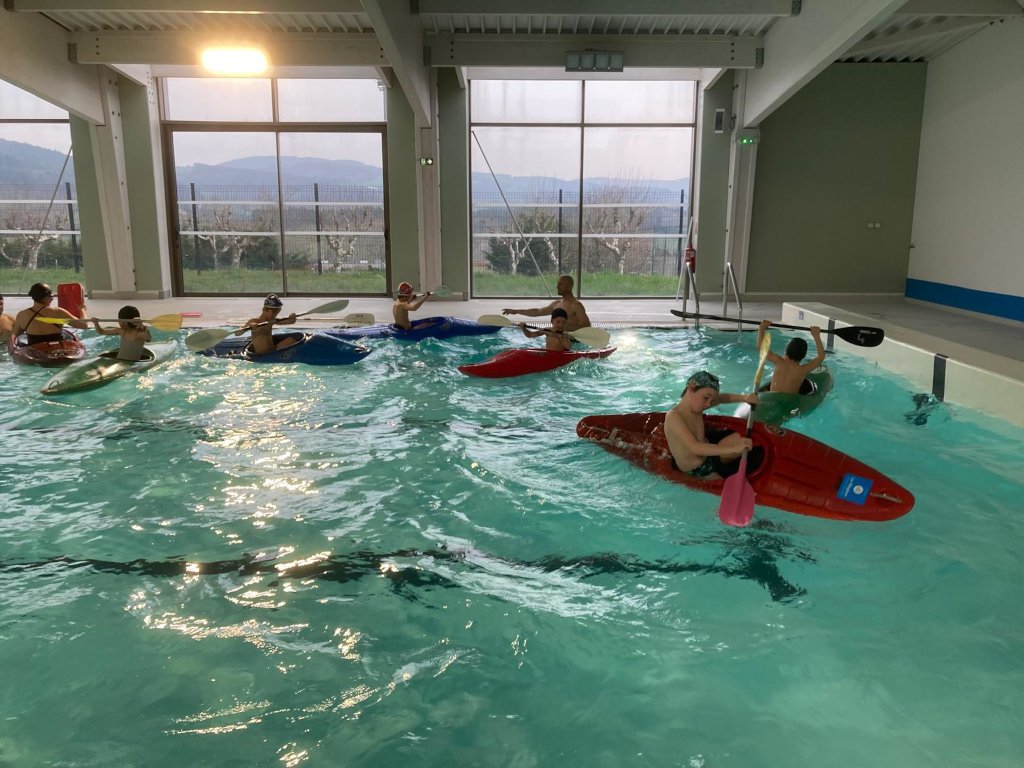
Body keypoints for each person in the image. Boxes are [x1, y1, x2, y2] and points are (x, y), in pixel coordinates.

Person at [664, 370, 759, 479]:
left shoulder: (698, 406)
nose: (708, 404)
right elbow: (695, 448)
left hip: (707, 450)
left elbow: (722, 398)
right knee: (748, 457)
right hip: (698, 469)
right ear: (691, 388)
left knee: (745, 439)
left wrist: (744, 398)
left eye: (712, 400)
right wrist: (734, 449)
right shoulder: (674, 416)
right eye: (706, 398)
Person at [502, 274, 592, 332]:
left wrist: (565, 326)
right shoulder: (557, 304)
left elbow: (587, 327)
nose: (557, 286)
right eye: (557, 284)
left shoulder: (576, 305)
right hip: (557, 340)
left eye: (560, 284)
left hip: (571, 343)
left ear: (569, 286)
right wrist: (516, 311)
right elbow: (538, 312)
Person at [757, 320, 826, 394]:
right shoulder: (802, 370)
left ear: (785, 352)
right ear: (803, 356)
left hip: (772, 397)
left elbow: (761, 348)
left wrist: (761, 328)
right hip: (789, 400)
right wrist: (816, 335)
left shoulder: (779, 362)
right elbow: (821, 356)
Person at [10, 283, 88, 345]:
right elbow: (84, 325)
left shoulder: (22, 315)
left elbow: (13, 336)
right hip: (58, 348)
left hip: (35, 350)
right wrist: (82, 310)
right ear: (47, 297)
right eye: (51, 295)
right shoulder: (58, 312)